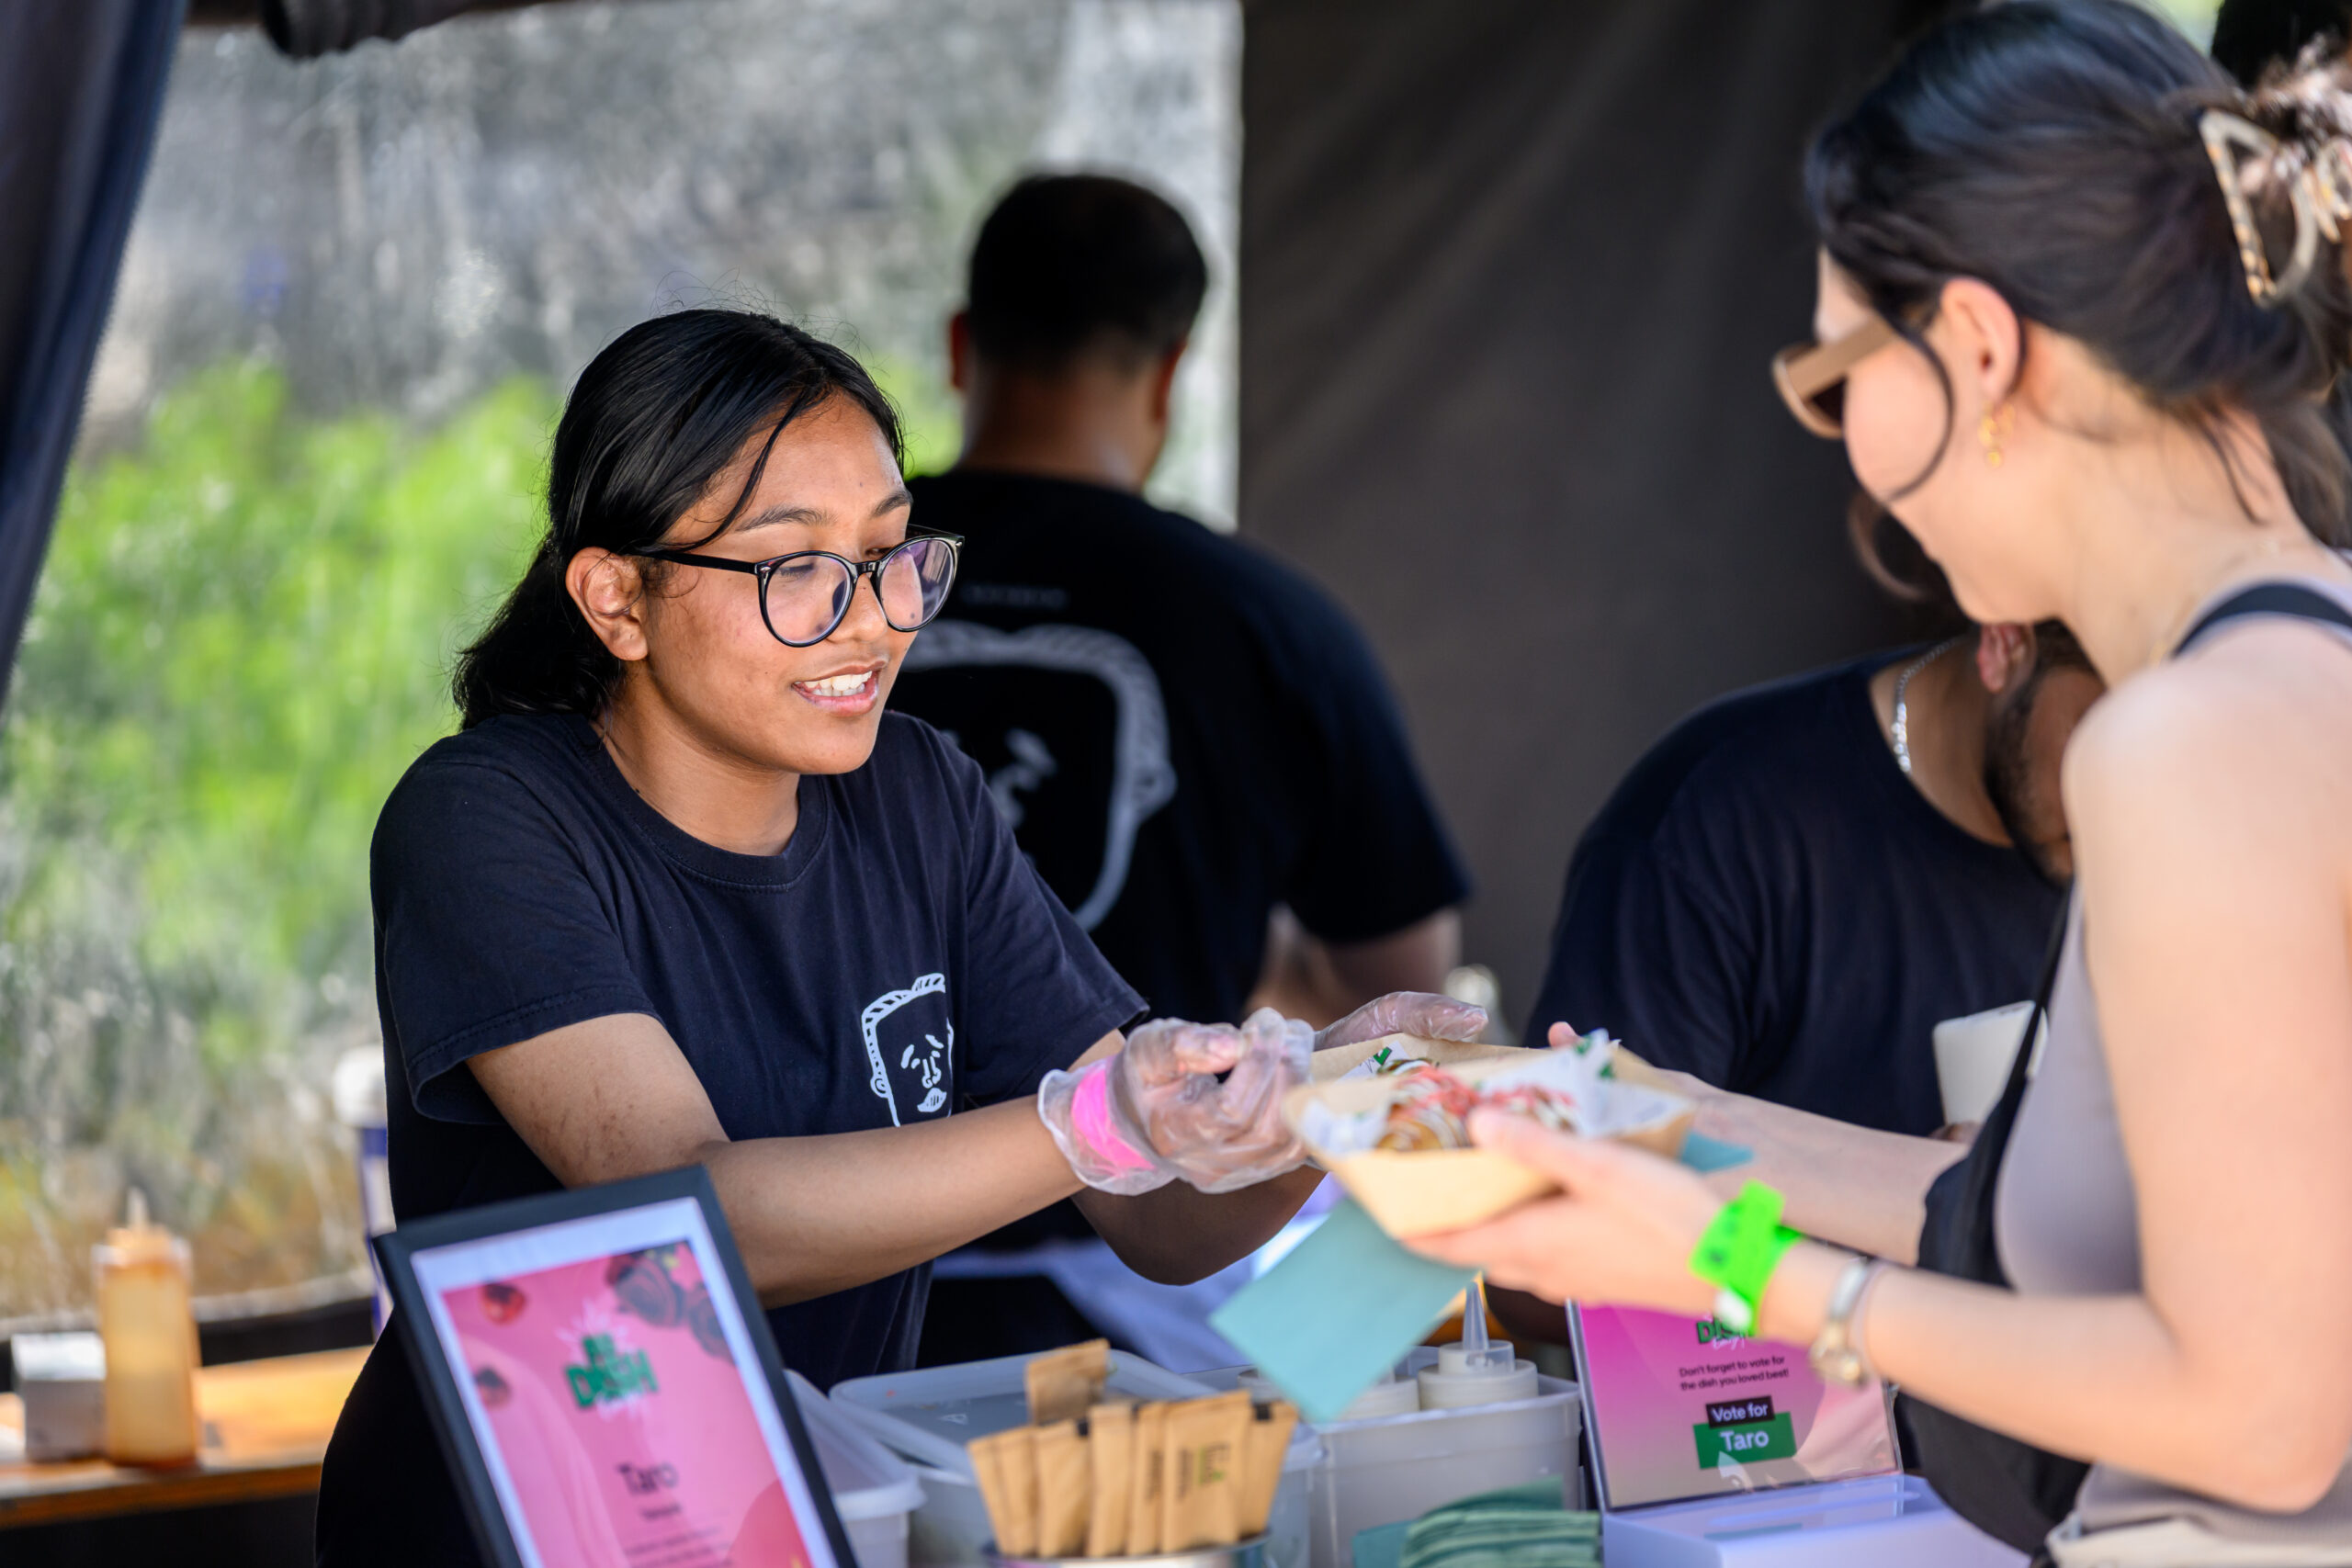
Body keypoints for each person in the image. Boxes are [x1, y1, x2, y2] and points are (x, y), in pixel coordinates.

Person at [1409, 6, 2352, 1562]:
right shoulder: (2300, 651)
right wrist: (1681, 1124)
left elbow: (2256, 1406)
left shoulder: (2187, 743)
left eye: (1842, 368)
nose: (1845, 441)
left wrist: (1724, 1252)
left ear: (1976, 348)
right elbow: (2106, 1233)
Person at [313, 308, 1482, 1564]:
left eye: (890, 553)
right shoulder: (488, 816)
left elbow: (1157, 1218)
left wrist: (1327, 1099)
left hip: (802, 1516)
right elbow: (691, 1219)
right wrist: (1097, 1119)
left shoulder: (916, 793)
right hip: (520, 1528)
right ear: (617, 598)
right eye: (796, 567)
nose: (872, 619)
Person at [890, 174, 1471, 1363]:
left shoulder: (821, 599)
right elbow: (1409, 974)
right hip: (1130, 1272)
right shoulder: (1266, 622)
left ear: (961, 345)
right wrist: (1254, 968)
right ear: (1171, 372)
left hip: (844, 1261)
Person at [1526, 617, 2100, 1137]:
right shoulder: (1715, 827)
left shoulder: (2162, 851)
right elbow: (1595, 1199)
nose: (2141, 802)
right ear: (2004, 641)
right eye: (2109, 737)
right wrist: (1894, 1221)